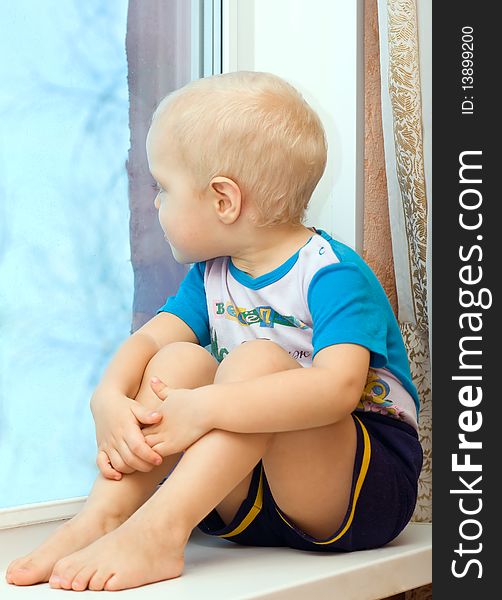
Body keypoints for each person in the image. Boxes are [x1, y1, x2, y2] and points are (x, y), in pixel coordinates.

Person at [5, 71, 423, 592]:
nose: (156, 203)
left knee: (257, 361)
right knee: (179, 359)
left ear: (223, 199)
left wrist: (201, 409)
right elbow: (150, 341)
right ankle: (106, 517)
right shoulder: (212, 274)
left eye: (164, 188)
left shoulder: (333, 274)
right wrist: (108, 396)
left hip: (356, 494)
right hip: (247, 501)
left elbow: (336, 391)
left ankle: (160, 531)